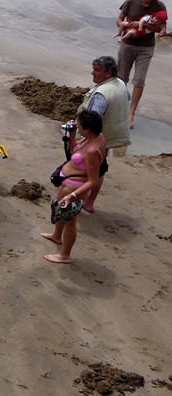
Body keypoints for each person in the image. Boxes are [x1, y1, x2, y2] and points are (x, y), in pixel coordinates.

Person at [40, 111, 106, 264]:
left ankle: (65, 255)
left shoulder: (92, 151)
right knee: (59, 211)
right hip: (68, 183)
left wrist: (73, 196)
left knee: (70, 222)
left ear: (87, 129)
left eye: (79, 126)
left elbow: (93, 181)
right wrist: (73, 134)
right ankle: (57, 236)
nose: (77, 127)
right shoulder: (94, 136)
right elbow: (74, 150)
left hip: (75, 188)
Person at [77, 56, 131, 213]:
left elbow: (93, 120)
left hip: (96, 138)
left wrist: (84, 141)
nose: (92, 73)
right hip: (110, 136)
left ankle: (78, 198)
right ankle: (90, 201)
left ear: (108, 73)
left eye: (97, 70)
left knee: (85, 169)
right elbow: (126, 97)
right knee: (99, 169)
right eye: (93, 69)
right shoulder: (120, 83)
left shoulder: (101, 94)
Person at [116, 0, 167, 129]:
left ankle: (131, 114)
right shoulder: (130, 2)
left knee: (139, 80)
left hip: (146, 48)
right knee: (121, 78)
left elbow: (160, 28)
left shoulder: (160, 6)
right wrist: (124, 25)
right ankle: (119, 109)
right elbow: (119, 18)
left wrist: (142, 25)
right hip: (127, 45)